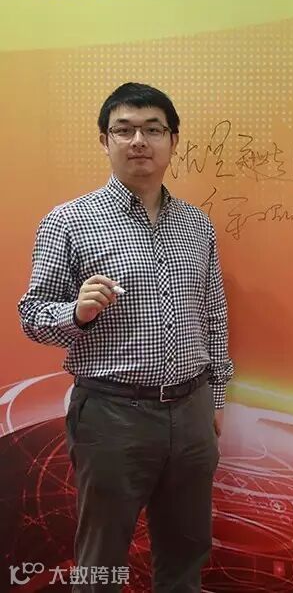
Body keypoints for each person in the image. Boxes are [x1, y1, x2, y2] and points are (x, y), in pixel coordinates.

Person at [17, 82, 234, 592]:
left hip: (192, 410)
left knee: (186, 551)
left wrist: (216, 397)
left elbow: (214, 315)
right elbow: (33, 315)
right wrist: (77, 313)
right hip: (112, 415)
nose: (139, 141)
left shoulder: (196, 225)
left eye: (153, 129)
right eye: (124, 130)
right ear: (105, 140)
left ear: (173, 140)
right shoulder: (69, 221)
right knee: (102, 556)